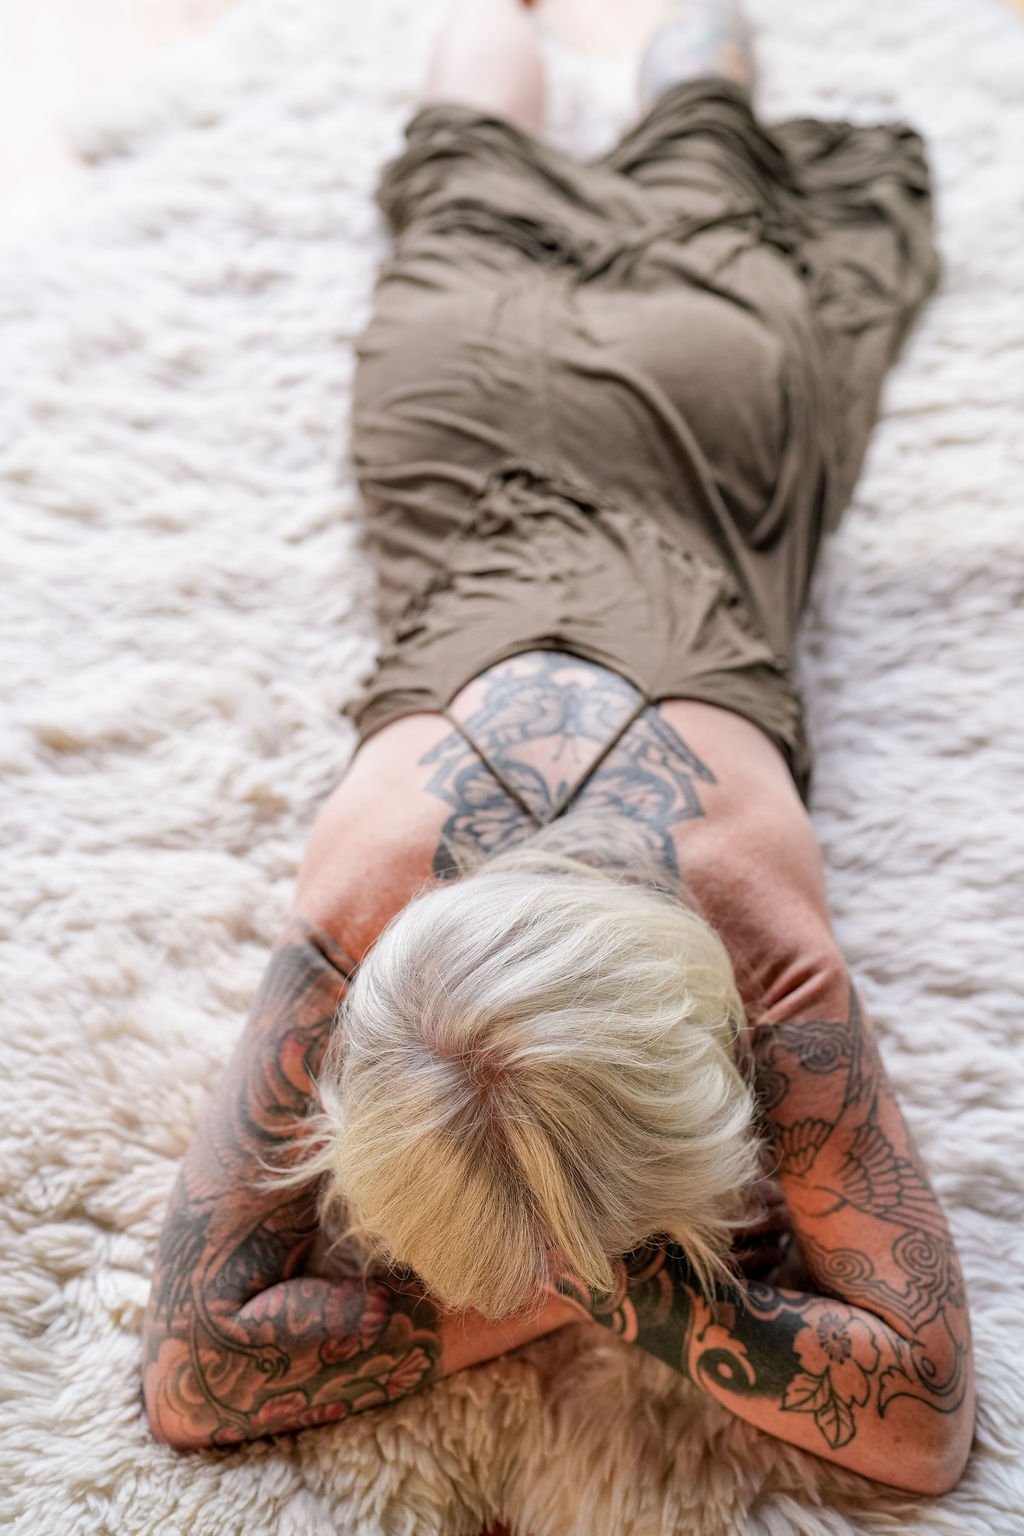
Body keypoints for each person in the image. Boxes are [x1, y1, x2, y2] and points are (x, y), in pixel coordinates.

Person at [140, 0, 976, 1495]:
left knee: (699, 151)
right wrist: (594, 1247)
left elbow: (200, 1375)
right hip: (458, 394)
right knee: (476, 166)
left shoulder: (401, 912)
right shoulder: (700, 926)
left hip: (652, 405)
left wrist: (544, 1265)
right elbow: (911, 1415)